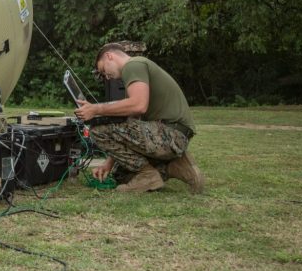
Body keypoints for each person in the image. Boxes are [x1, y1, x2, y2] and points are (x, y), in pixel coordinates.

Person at [74, 43, 205, 193]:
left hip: (171, 134)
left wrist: (97, 109)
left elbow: (139, 105)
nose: (106, 77)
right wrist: (109, 163)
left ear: (109, 56)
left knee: (98, 129)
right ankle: (175, 167)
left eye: (103, 70)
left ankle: (148, 175)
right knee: (121, 174)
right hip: (173, 136)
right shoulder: (135, 71)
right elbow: (130, 124)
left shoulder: (133, 65)